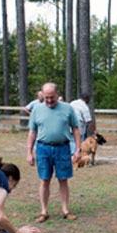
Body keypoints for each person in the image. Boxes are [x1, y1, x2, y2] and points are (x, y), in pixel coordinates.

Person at [27, 82, 82, 223]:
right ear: (42, 96)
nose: (49, 100)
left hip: (63, 148)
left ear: (57, 94)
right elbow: (32, 132)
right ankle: (44, 211)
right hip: (42, 149)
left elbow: (76, 129)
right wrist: (29, 152)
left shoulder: (68, 109)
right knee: (44, 180)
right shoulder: (37, 110)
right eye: (46, 98)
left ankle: (65, 210)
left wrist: (78, 149)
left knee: (63, 179)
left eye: (52, 97)